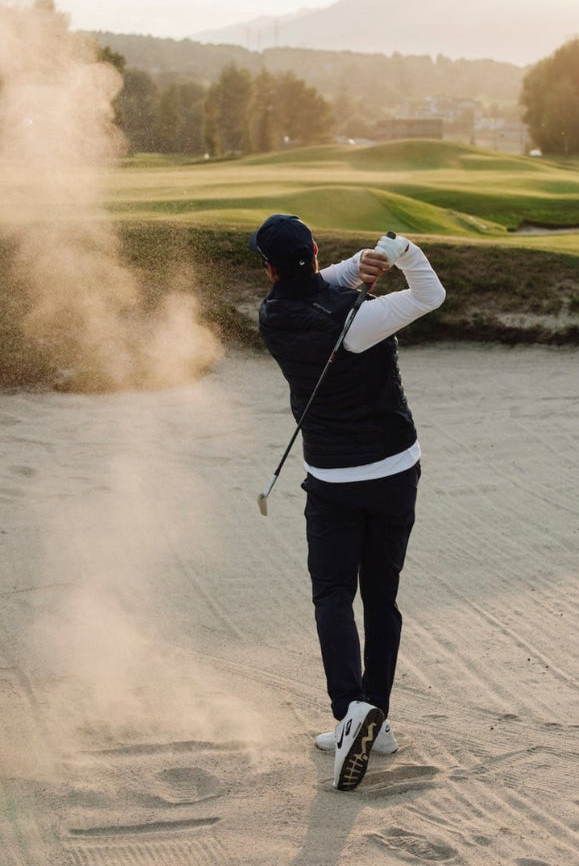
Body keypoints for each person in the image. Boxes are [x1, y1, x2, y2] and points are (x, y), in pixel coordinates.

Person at [249, 213, 446, 791]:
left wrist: (359, 265)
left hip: (331, 480)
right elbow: (429, 295)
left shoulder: (271, 314)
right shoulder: (359, 319)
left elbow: (315, 284)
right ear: (314, 249)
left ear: (269, 268)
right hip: (393, 472)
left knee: (333, 595)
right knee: (381, 598)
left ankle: (351, 713)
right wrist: (405, 252)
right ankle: (373, 719)